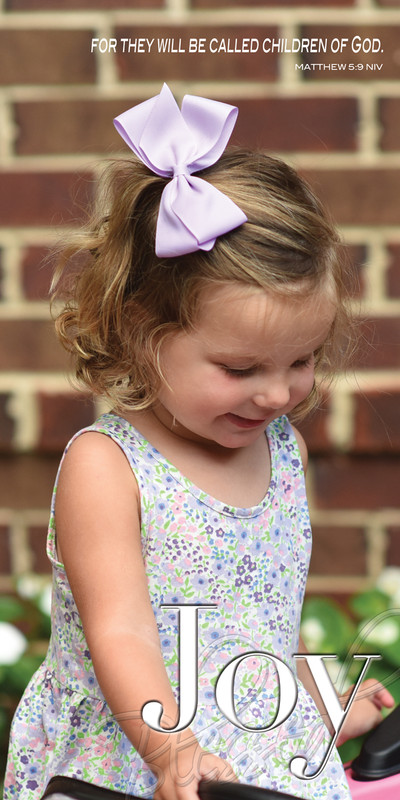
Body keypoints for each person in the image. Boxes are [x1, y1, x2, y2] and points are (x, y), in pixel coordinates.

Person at [4, 84, 393, 800]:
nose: (279, 395)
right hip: (136, 760)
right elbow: (121, 632)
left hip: (244, 769)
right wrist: (171, 751)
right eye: (241, 369)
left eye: (301, 362)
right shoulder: (108, 467)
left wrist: (313, 708)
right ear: (144, 336)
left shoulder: (280, 453)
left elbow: (254, 632)